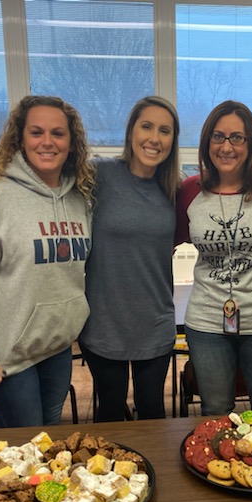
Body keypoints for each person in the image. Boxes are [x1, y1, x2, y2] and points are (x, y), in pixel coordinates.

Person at [0, 95, 94, 427]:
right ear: (20, 138)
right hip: (8, 353)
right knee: (25, 445)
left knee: (50, 435)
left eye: (58, 133)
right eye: (36, 132)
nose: (47, 142)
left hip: (55, 346)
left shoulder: (79, 200)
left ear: (71, 143)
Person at [175, 100, 252, 416]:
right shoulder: (190, 191)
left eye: (236, 138)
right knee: (215, 412)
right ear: (206, 142)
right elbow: (161, 245)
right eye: (218, 137)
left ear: (251, 143)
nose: (226, 147)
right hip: (206, 322)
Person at [78, 96, 180, 421]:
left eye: (164, 130)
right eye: (146, 126)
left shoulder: (176, 189)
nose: (154, 138)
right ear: (131, 131)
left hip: (155, 322)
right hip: (104, 323)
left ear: (173, 140)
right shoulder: (100, 175)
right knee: (109, 412)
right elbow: (48, 183)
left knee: (152, 411)